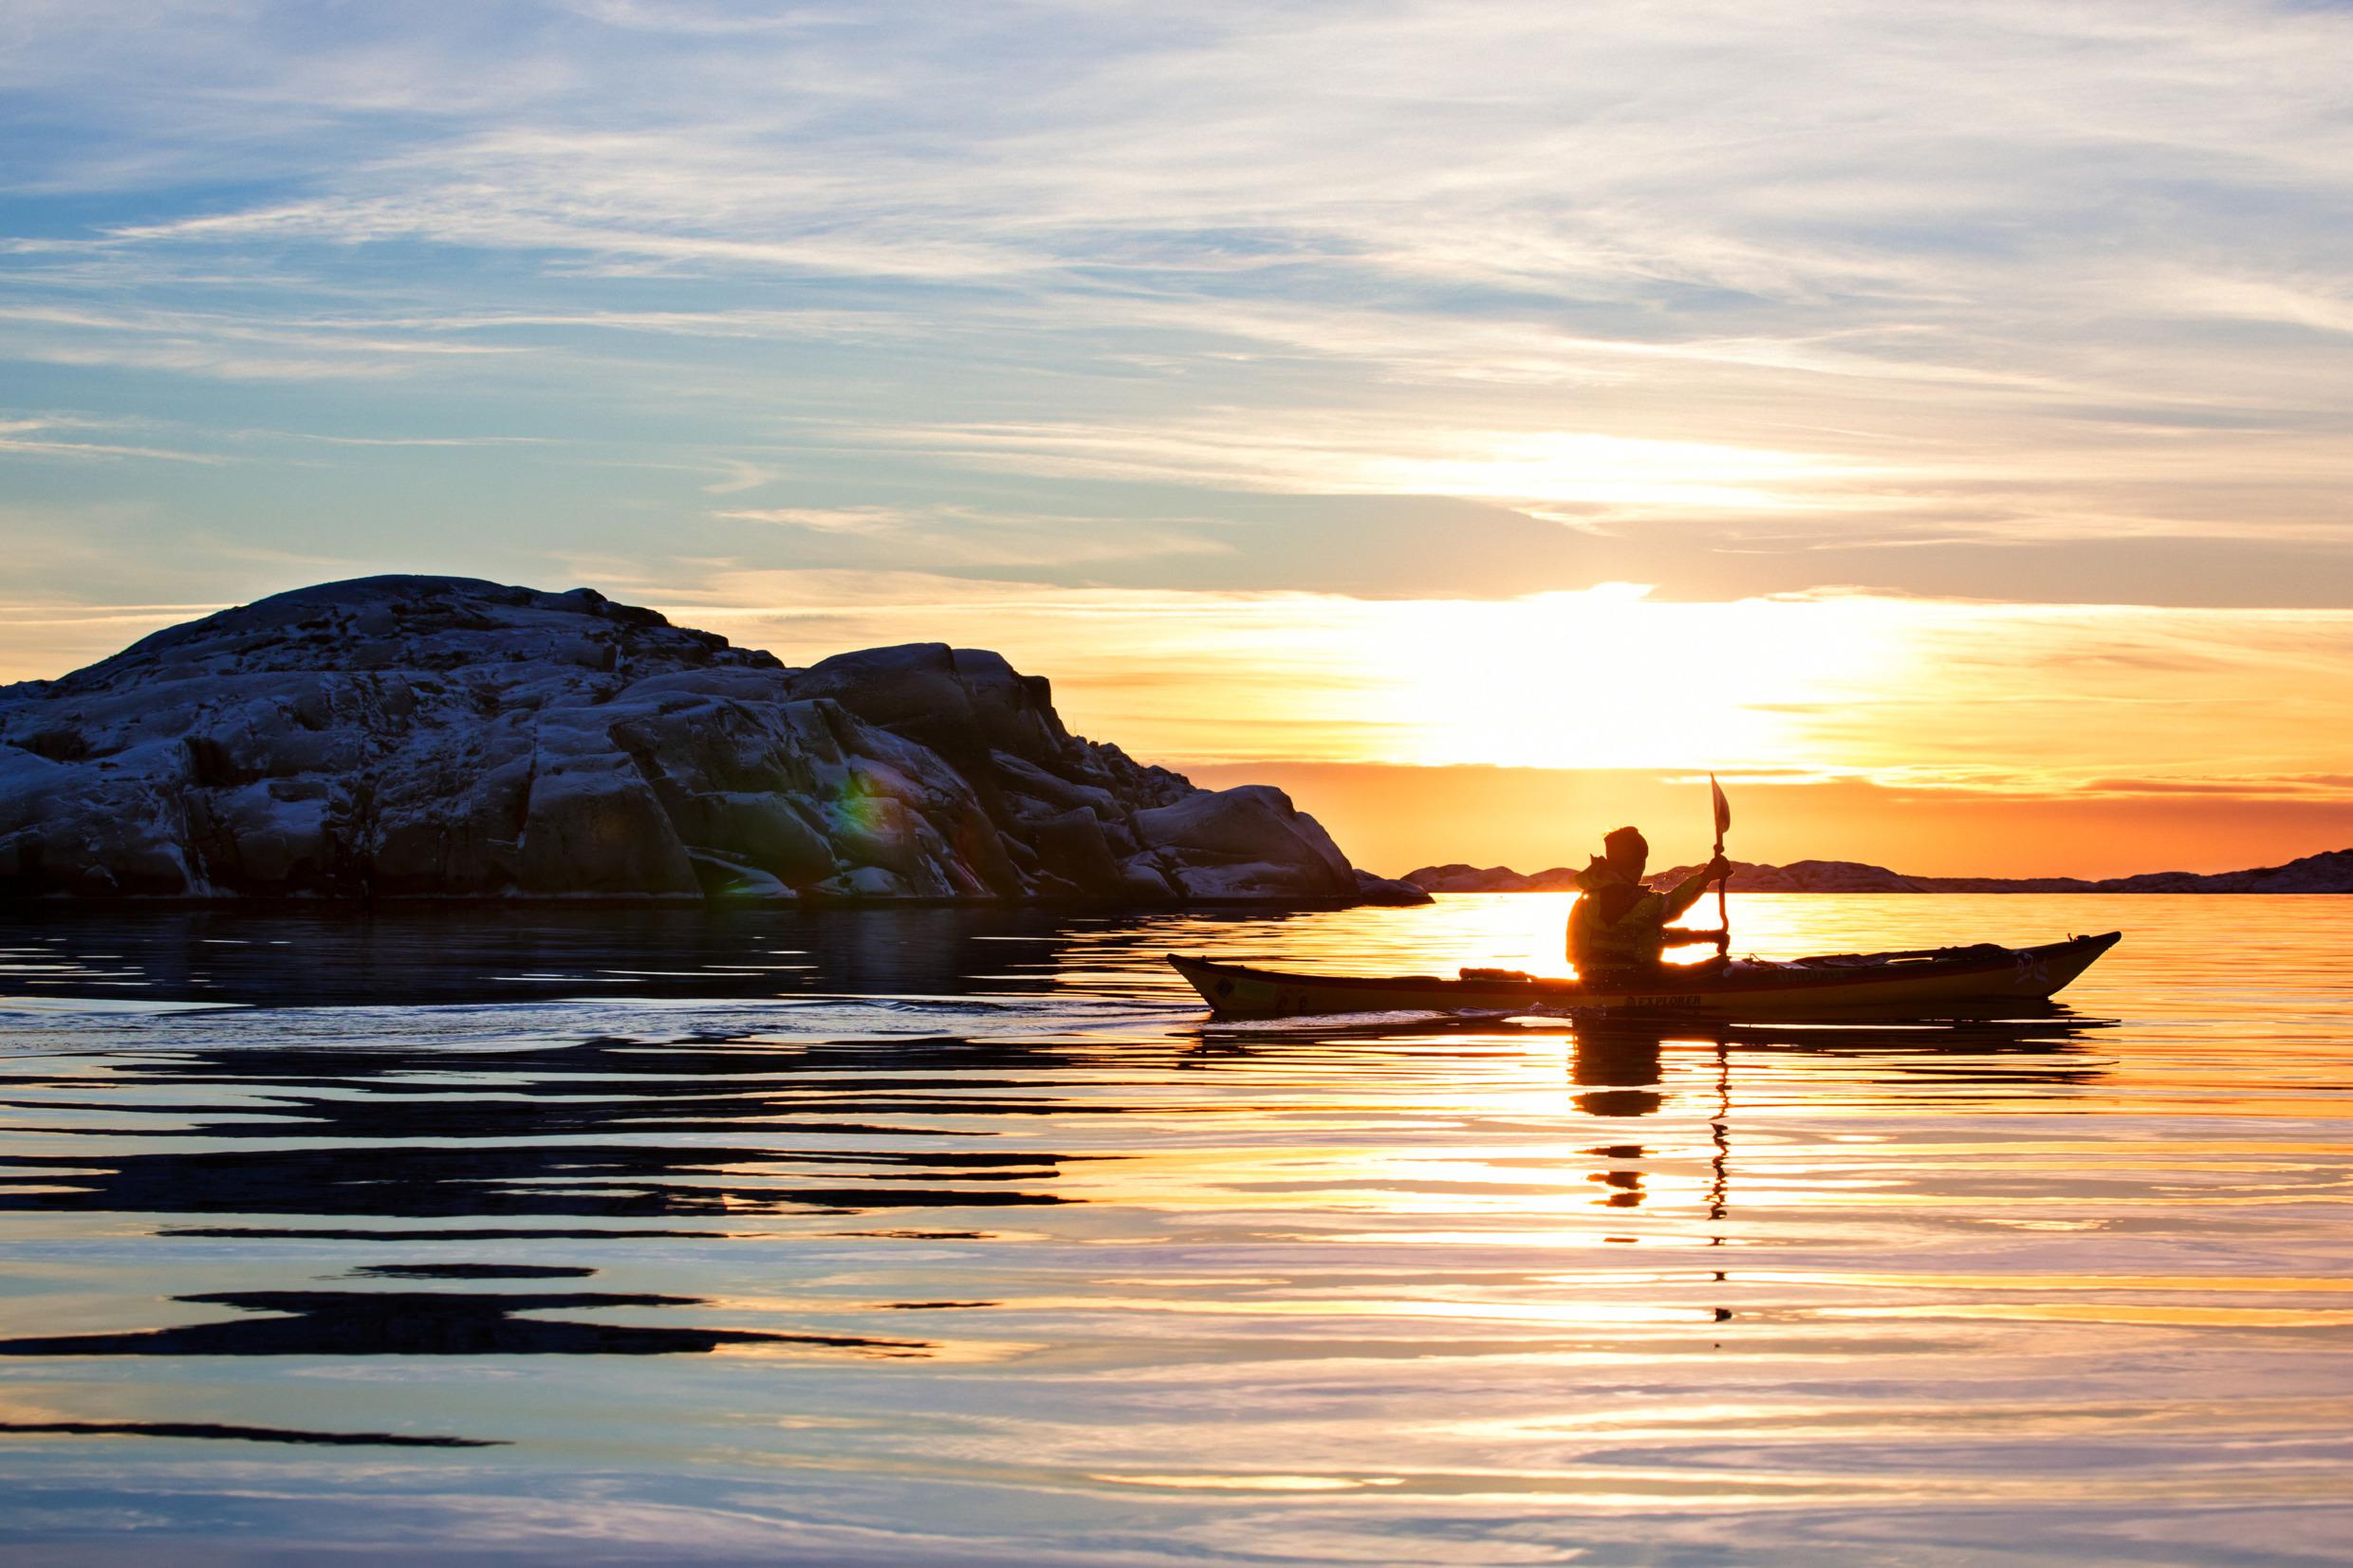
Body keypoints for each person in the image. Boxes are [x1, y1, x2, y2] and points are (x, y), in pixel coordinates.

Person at [1567, 825, 1731, 983]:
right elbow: (1668, 906)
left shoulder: (1600, 892)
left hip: (1617, 974)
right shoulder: (1615, 897)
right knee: (1709, 971)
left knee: (1701, 968)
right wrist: (1707, 876)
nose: (1643, 867)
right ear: (1633, 862)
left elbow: (1653, 937)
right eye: (1642, 859)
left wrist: (1708, 936)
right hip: (1617, 978)